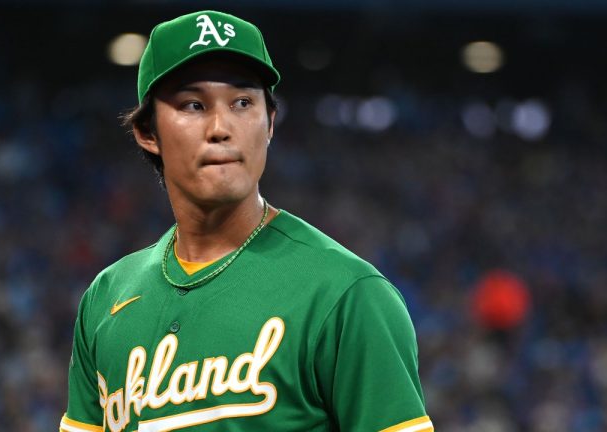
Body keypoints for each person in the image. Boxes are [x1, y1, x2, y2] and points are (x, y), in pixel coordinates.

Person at [60, 10, 433, 432]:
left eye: (242, 103)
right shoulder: (106, 296)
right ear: (148, 132)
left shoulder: (348, 295)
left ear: (269, 123)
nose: (221, 127)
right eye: (193, 105)